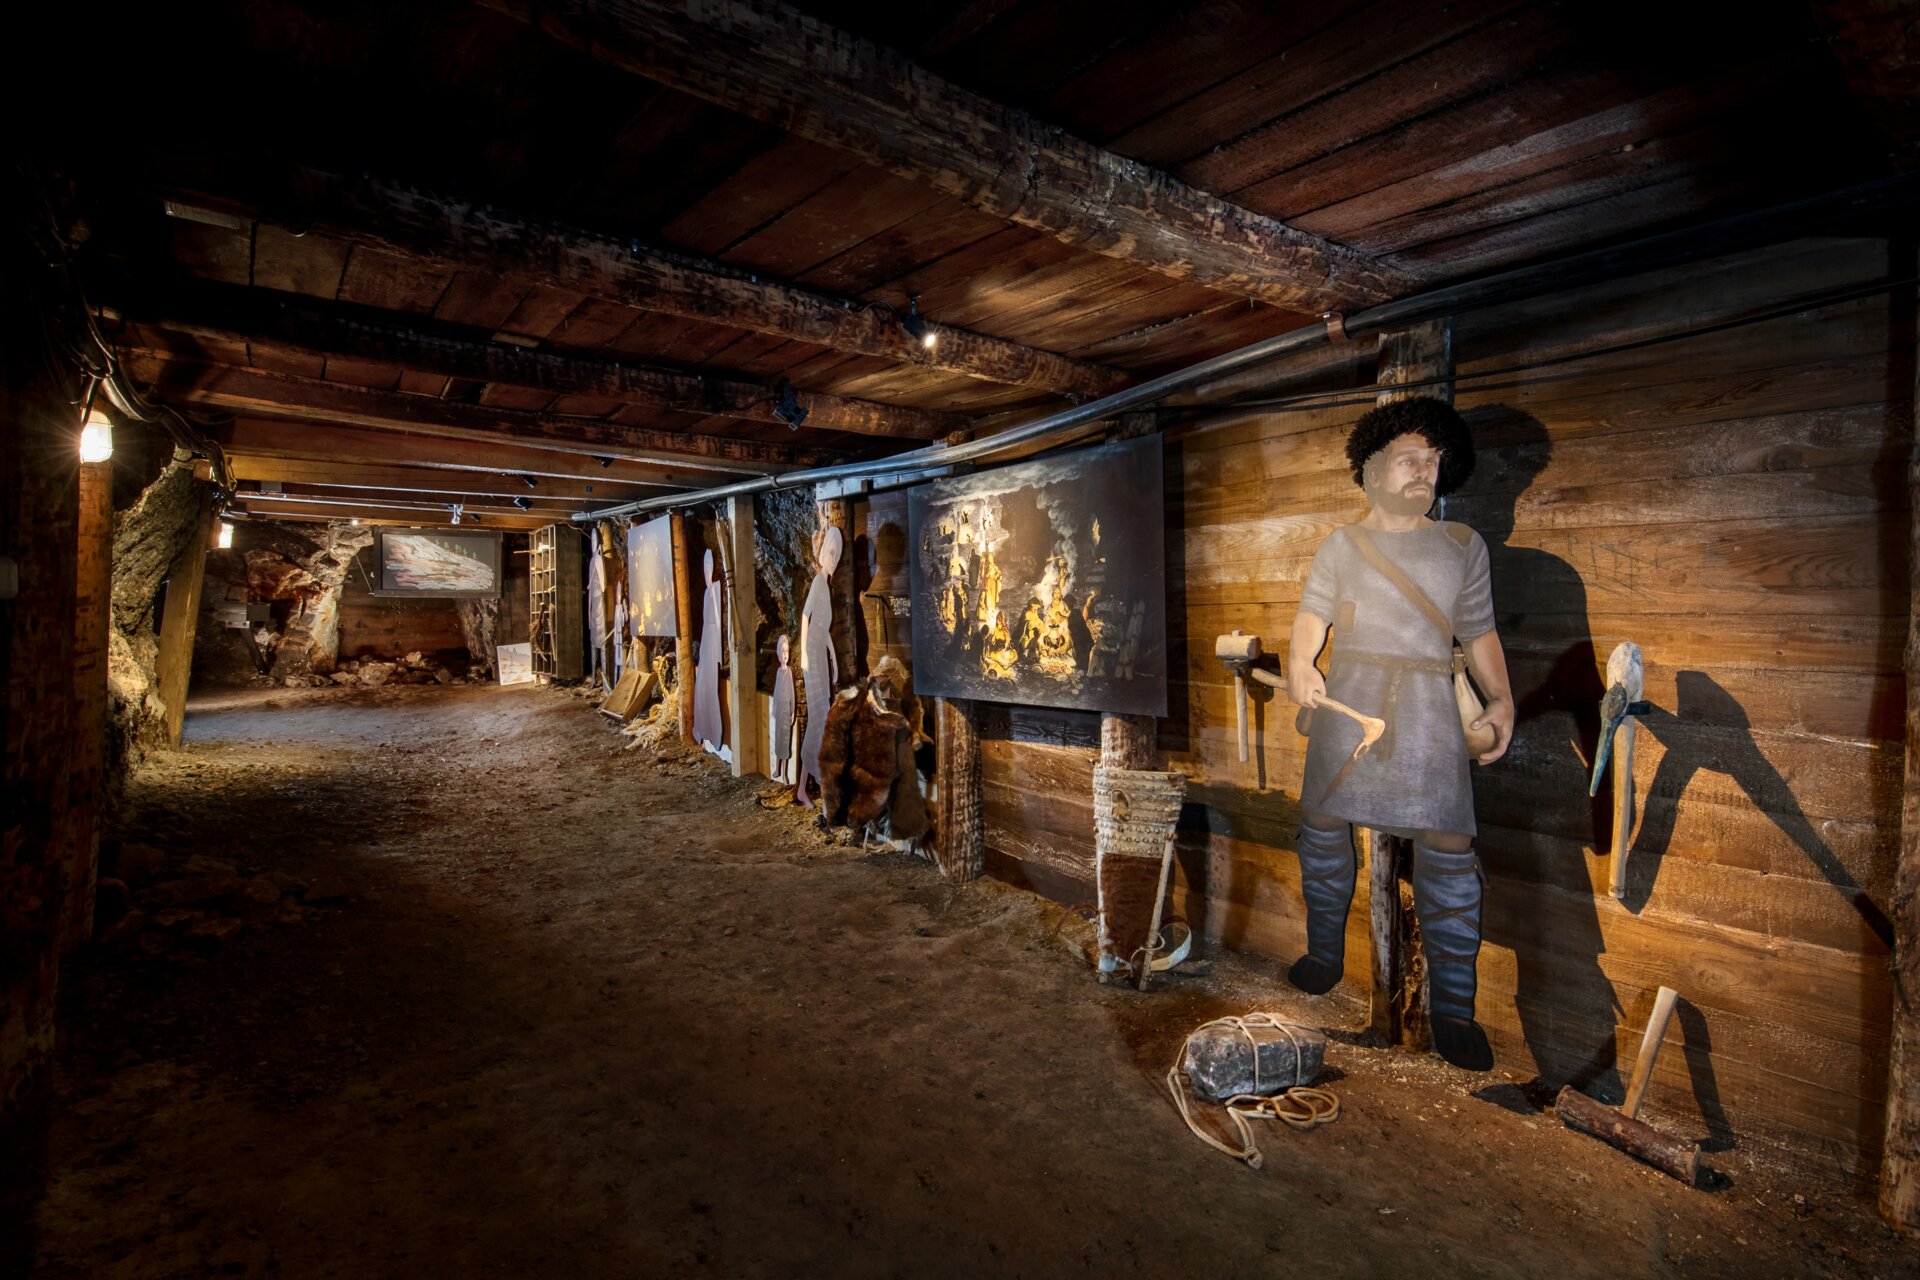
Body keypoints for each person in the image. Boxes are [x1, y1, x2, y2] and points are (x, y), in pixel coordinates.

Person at [1282, 397, 1514, 1071]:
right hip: (1348, 694)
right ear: (1373, 468)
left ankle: (1454, 1011)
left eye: (1433, 460)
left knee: (1449, 844)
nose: (1425, 472)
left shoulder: (1462, 547)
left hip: (1426, 702)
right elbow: (1312, 616)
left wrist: (1501, 700)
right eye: (1409, 460)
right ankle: (1325, 955)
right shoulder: (1341, 545)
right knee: (1321, 824)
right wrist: (1301, 663)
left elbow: (1479, 634)